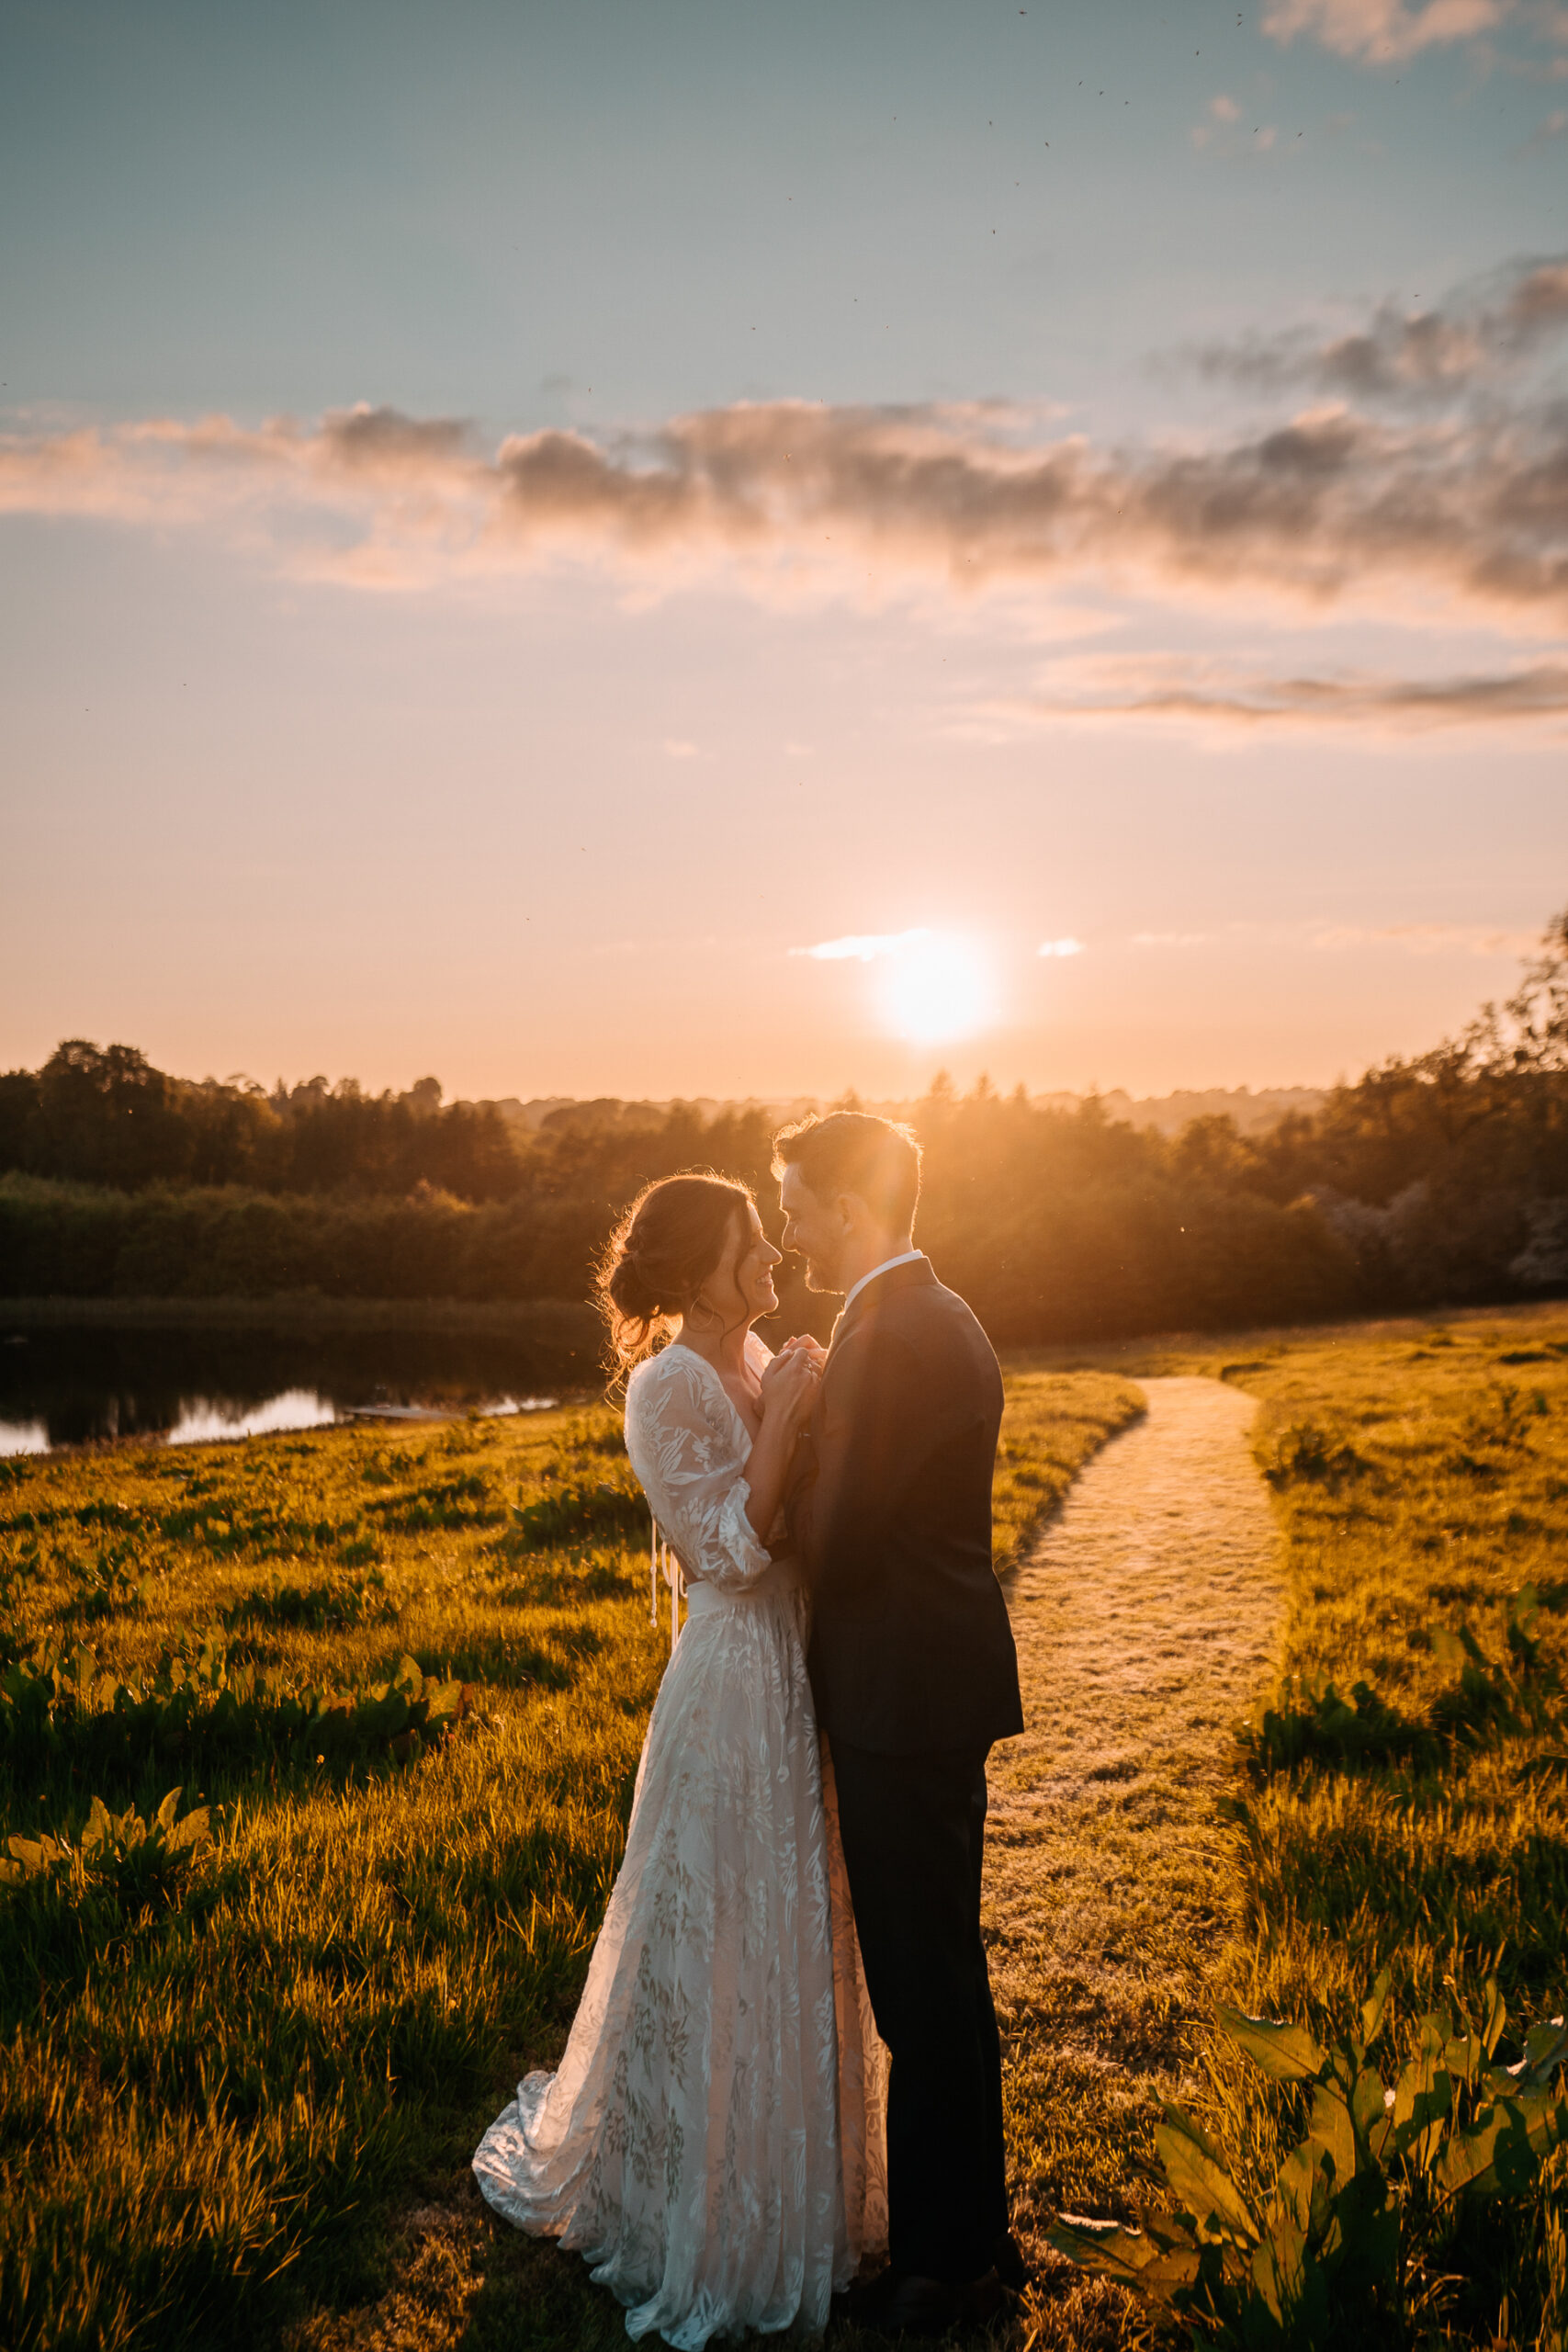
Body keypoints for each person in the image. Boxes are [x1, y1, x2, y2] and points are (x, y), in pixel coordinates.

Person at [472, 1170, 886, 2348]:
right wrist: (795, 1418)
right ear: (694, 1267)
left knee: (796, 1918)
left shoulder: (765, 1359)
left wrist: (800, 1400)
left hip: (799, 1671)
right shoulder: (666, 1384)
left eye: (767, 1233)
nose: (768, 1252)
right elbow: (731, 1550)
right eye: (747, 1240)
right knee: (716, 1923)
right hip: (734, 1678)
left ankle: (798, 2187)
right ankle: (688, 2203)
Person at [775, 1110, 1026, 2340]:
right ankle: (971, 2228)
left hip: (898, 1694)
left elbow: (840, 1538)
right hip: (929, 1683)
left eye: (794, 1206)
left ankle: (940, 2266)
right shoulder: (938, 1310)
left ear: (847, 1204)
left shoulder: (882, 1336)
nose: (784, 1229)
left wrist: (788, 1460)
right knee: (944, 1970)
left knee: (918, 1985)